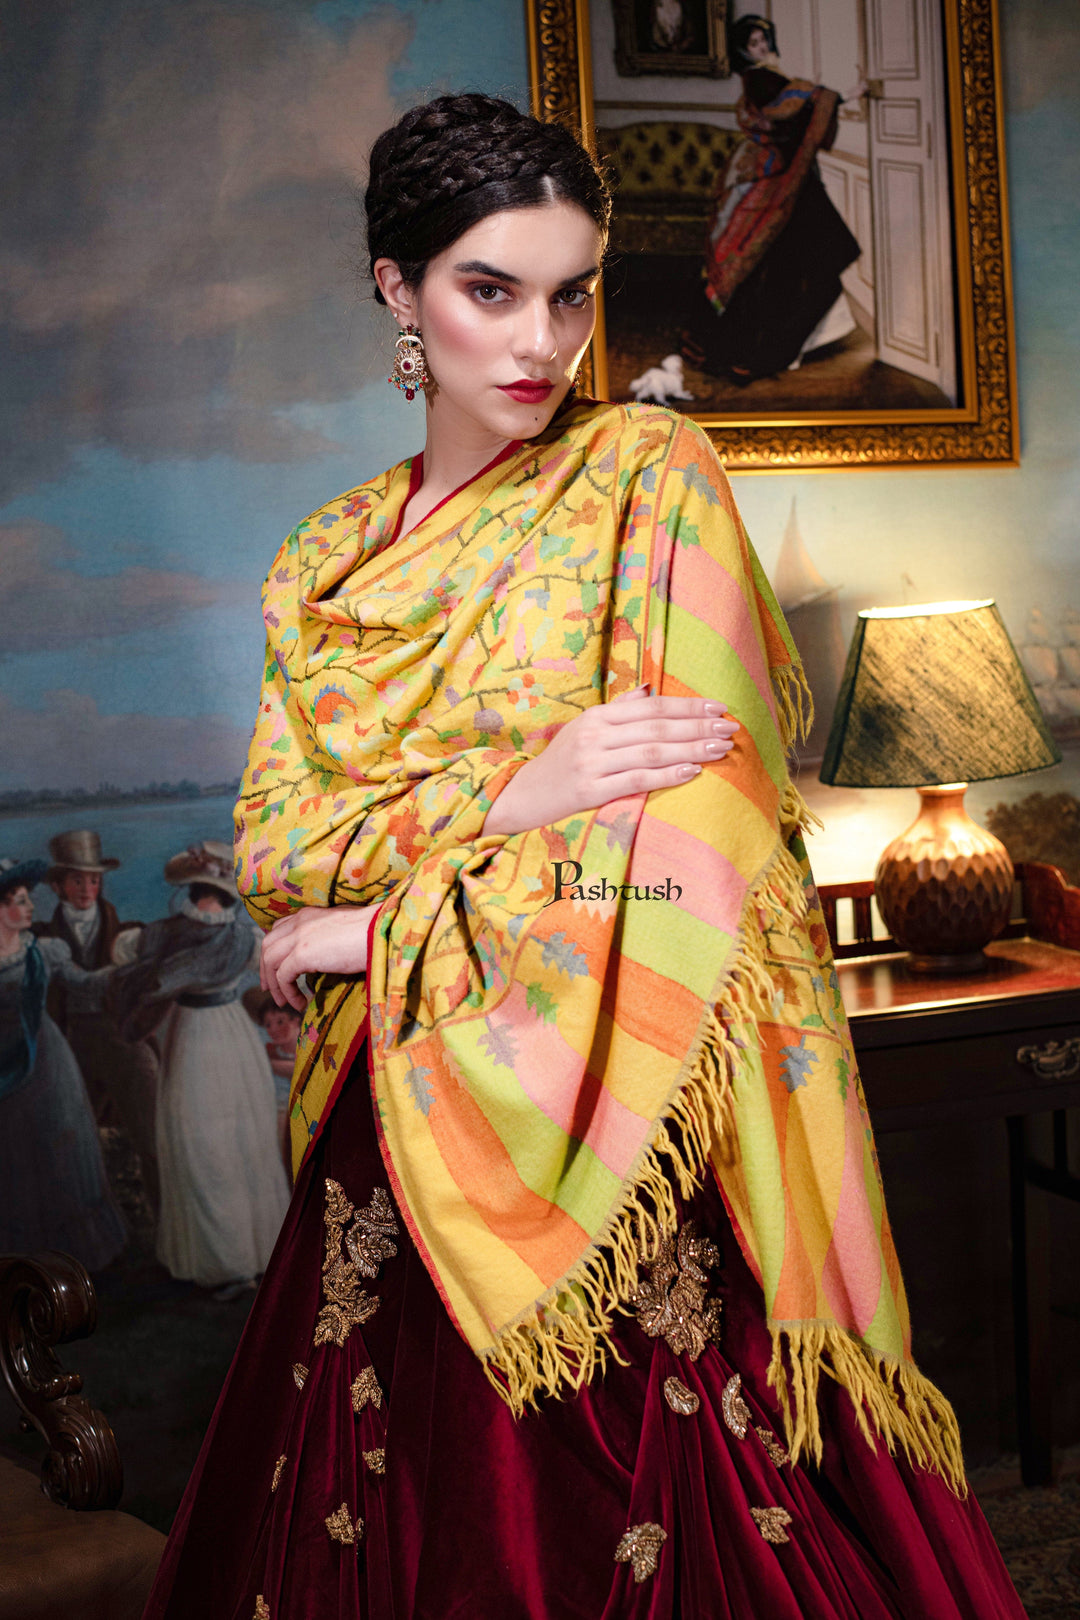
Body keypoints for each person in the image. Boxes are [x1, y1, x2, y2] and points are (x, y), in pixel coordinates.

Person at [143, 94, 1025, 1619]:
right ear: (397, 287)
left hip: (611, 1111)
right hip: (385, 1128)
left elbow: (694, 839)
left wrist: (383, 930)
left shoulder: (647, 478)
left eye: (571, 294)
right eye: (490, 290)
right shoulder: (323, 563)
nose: (540, 342)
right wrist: (519, 793)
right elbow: (285, 850)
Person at [110, 840, 289, 1296]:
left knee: (232, 1143)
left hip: (209, 1035)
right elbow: (123, 953)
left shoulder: (200, 936)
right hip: (209, 1034)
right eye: (203, 892)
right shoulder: (207, 936)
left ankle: (247, 1259)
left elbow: (124, 952)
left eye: (211, 893)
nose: (207, 903)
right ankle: (230, 1261)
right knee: (209, 1146)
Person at [685, 14, 862, 384]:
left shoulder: (764, 78)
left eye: (763, 39)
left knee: (793, 263)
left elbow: (795, 112)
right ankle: (756, 353)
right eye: (753, 43)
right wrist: (840, 95)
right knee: (791, 266)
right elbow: (795, 108)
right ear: (742, 51)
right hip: (778, 180)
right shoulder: (762, 79)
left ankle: (754, 349)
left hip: (782, 177)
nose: (761, 47)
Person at [0, 855, 125, 1271]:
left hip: (49, 1065)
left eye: (28, 898)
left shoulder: (43, 952)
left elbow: (81, 982)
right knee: (13, 1156)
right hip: (5, 1070)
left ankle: (78, 1257)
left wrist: (120, 972)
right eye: (20, 900)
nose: (30, 907)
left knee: (62, 1151)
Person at [35, 827, 161, 1222]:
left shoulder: (124, 933)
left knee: (152, 1131)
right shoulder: (43, 938)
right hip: (69, 1041)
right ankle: (82, 1232)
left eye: (93, 880)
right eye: (77, 880)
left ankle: (165, 1226)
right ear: (58, 886)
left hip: (119, 1034)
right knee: (65, 1141)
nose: (87, 889)